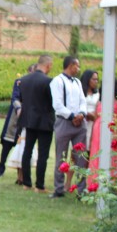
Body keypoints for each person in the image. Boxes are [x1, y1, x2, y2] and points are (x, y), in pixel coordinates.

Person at [50, 56, 89, 199]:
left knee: (81, 157)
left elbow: (82, 101)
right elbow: (58, 105)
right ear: (71, 65)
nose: (78, 69)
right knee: (62, 156)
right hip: (64, 122)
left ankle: (81, 189)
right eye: (77, 66)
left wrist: (81, 114)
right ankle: (59, 188)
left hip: (80, 122)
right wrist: (72, 116)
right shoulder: (57, 81)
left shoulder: (77, 82)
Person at [19, 55, 55, 193]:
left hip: (29, 120)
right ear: (48, 65)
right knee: (43, 154)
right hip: (45, 121)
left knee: (27, 151)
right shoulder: (48, 81)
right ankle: (39, 185)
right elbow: (52, 101)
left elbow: (22, 99)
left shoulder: (24, 80)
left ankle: (26, 182)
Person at [0, 70, 25, 178]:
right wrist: (19, 108)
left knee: (24, 147)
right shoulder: (19, 82)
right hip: (14, 119)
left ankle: (21, 175)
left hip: (28, 120)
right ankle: (1, 168)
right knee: (7, 145)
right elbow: (15, 97)